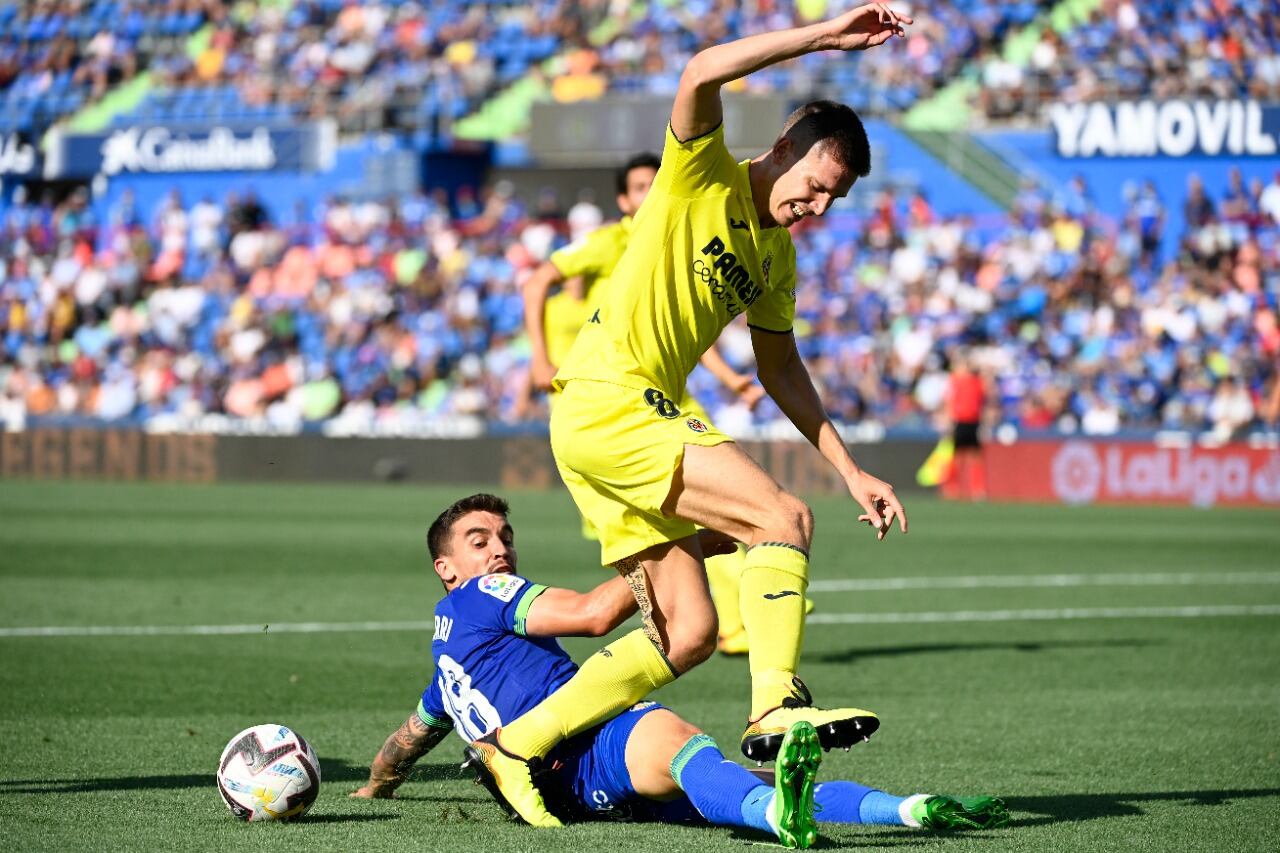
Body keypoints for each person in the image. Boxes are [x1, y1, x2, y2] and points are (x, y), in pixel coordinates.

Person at [477, 4, 915, 827]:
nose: (818, 206)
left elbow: (780, 367)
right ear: (783, 147)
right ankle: (775, 705)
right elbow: (700, 70)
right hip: (613, 399)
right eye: (815, 184)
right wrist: (821, 35)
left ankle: (516, 745)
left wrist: (853, 469)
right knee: (780, 517)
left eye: (836, 198)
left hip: (609, 422)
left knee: (689, 631)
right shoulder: (699, 171)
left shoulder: (775, 258)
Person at [351, 494, 1009, 847]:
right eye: (479, 540)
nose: (500, 547)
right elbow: (590, 613)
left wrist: (374, 789)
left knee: (738, 784)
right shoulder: (479, 596)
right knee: (672, 732)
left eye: (505, 535)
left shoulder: (448, 662)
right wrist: (677, 545)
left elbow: (410, 736)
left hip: (559, 794)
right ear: (446, 569)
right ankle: (786, 822)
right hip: (580, 750)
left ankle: (911, 810)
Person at [521, 151, 777, 655]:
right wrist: (539, 357)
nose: (646, 196)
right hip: (609, 401)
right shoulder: (612, 242)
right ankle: (700, 612)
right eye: (637, 188)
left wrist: (730, 379)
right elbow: (539, 280)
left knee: (730, 505)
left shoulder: (680, 233)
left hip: (668, 398)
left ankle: (740, 610)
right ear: (623, 200)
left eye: (651, 186)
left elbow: (689, 329)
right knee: (647, 528)